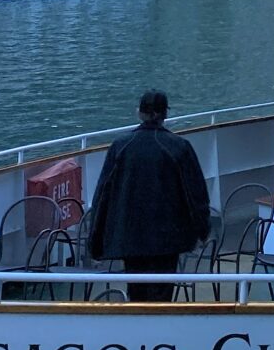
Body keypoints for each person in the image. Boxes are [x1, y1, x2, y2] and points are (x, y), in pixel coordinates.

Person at [85, 89, 211, 302]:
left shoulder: (121, 146)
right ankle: (160, 331)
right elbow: (196, 194)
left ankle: (139, 331)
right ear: (165, 115)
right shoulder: (178, 146)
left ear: (139, 113)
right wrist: (202, 230)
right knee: (162, 293)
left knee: (137, 291)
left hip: (130, 236)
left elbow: (102, 196)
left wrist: (95, 241)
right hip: (168, 237)